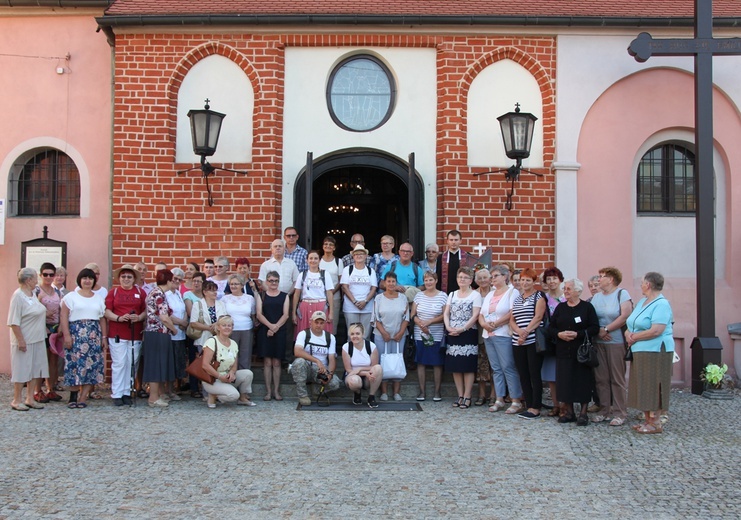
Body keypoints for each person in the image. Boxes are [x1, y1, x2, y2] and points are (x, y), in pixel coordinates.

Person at [626, 272, 674, 435]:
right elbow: (631, 323)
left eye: (642, 283)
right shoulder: (642, 302)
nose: (640, 285)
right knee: (643, 384)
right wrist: (628, 334)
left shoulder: (662, 304)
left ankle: (655, 422)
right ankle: (647, 420)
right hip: (639, 349)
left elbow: (657, 330)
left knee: (655, 384)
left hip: (656, 350)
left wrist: (634, 337)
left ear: (648, 284)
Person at [548, 278, 599, 426]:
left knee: (582, 380)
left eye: (569, 289)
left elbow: (594, 327)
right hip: (563, 350)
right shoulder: (561, 308)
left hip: (581, 351)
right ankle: (569, 411)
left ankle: (583, 412)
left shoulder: (587, 308)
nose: (566, 291)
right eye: (565, 289)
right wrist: (559, 334)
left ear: (578, 291)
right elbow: (550, 328)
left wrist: (578, 334)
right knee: (564, 381)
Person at [590, 267, 632, 426]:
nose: (598, 279)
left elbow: (625, 316)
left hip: (615, 342)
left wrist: (607, 329)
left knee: (617, 378)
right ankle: (604, 410)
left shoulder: (622, 294)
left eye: (602, 277)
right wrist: (599, 331)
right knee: (601, 378)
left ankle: (620, 412)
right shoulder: (596, 297)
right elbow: (592, 316)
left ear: (612, 279)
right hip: (598, 341)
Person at [60, 268, 107, 409]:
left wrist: (104, 337)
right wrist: (67, 335)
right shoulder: (71, 297)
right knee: (74, 366)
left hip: (93, 336)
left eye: (90, 278)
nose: (87, 281)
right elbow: (63, 317)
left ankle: (83, 397)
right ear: (79, 280)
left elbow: (102, 319)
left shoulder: (98, 298)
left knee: (91, 366)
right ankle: (73, 396)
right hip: (76, 334)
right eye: (84, 278)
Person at [480, 265, 524, 414]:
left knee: (508, 367)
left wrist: (496, 324)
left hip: (503, 334)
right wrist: (485, 325)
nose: (493, 279)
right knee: (496, 368)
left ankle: (516, 400)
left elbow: (512, 312)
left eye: (496, 276)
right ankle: (499, 398)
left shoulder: (512, 292)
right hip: (488, 335)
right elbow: (481, 314)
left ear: (505, 277)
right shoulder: (490, 295)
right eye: (492, 276)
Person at [104, 264, 146, 406]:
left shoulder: (140, 292)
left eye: (129, 277)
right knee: (119, 363)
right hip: (117, 332)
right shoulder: (113, 293)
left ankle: (127, 391)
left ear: (134, 279)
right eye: (123, 277)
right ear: (119, 278)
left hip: (135, 332)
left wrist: (139, 318)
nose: (126, 279)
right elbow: (106, 311)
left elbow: (145, 311)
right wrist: (118, 318)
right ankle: (117, 393)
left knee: (132, 363)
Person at [8, 267, 49, 410]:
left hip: (37, 338)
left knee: (35, 368)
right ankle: (16, 400)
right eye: (35, 278)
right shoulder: (18, 296)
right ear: (28, 280)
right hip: (24, 338)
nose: (37, 280)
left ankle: (30, 398)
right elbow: (13, 321)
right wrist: (20, 340)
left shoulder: (32, 294)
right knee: (21, 368)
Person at [510, 268, 547, 419]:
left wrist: (525, 333)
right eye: (522, 280)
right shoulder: (518, 298)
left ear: (534, 282)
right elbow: (512, 319)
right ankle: (528, 404)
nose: (524, 283)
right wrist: (518, 332)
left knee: (534, 373)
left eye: (527, 280)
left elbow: (538, 317)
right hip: (517, 341)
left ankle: (536, 407)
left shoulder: (539, 296)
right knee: (523, 374)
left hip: (532, 340)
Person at [443, 267, 482, 409]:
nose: (462, 280)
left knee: (467, 366)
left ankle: (467, 396)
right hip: (452, 332)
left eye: (465, 277)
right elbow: (446, 313)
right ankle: (459, 395)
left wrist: (462, 329)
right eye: (460, 277)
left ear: (471, 280)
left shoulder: (475, 295)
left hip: (467, 333)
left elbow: (475, 315)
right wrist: (448, 327)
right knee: (456, 366)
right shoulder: (452, 294)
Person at [141, 268, 179, 408]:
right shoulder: (159, 295)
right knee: (156, 365)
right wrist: (174, 329)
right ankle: (153, 397)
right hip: (158, 333)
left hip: (155, 332)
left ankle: (158, 395)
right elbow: (164, 317)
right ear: (168, 281)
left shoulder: (155, 292)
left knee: (159, 364)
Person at [200, 315, 255, 408]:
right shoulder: (212, 342)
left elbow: (234, 365)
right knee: (233, 395)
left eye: (229, 325)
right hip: (212, 379)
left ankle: (242, 398)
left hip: (226, 377)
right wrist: (220, 377)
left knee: (247, 373)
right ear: (218, 327)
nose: (227, 328)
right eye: (224, 325)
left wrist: (232, 373)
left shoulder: (233, 344)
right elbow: (205, 365)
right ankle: (213, 395)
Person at [290, 311, 341, 406]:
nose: (319, 325)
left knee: (335, 383)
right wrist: (316, 360)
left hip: (321, 371)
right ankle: (303, 395)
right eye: (316, 322)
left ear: (325, 323)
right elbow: (297, 351)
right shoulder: (303, 334)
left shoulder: (330, 337)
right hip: (306, 368)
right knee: (299, 362)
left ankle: (316, 390)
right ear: (311, 322)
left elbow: (332, 358)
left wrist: (329, 374)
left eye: (321, 323)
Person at [373, 272, 410, 401]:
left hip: (399, 335)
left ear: (396, 282)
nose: (391, 284)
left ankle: (396, 392)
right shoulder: (378, 298)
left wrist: (400, 333)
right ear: (384, 283)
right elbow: (375, 318)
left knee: (397, 362)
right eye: (388, 281)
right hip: (381, 335)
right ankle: (383, 392)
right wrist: (384, 333)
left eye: (393, 281)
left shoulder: (402, 298)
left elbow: (406, 318)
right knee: (383, 362)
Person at [411, 272, 447, 401]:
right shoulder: (419, 296)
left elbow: (445, 315)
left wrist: (430, 322)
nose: (428, 282)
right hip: (420, 333)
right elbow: (413, 314)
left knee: (437, 363)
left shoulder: (443, 296)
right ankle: (422, 392)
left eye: (431, 280)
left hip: (436, 334)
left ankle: (437, 392)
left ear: (436, 280)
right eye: (426, 280)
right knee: (421, 362)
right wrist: (420, 323)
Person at [255, 271, 290, 401]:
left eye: (275, 280)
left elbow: (285, 314)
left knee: (276, 362)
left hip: (279, 330)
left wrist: (275, 328)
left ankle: (276, 391)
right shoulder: (261, 295)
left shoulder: (284, 296)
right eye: (270, 280)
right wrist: (270, 326)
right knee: (267, 362)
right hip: (265, 330)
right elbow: (259, 314)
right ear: (266, 281)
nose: (273, 283)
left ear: (279, 281)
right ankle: (268, 392)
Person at [34, 262, 63, 402]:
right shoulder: (36, 291)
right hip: (41, 327)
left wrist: (61, 326)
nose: (48, 277)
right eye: (45, 274)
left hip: (55, 327)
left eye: (51, 274)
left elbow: (61, 309)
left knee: (53, 359)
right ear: (40, 275)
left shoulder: (57, 291)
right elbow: (32, 311)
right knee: (41, 359)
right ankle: (37, 390)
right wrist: (44, 315)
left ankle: (51, 388)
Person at [340, 243, 378, 339]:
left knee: (365, 335)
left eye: (361, 253)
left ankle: (365, 354)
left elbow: (373, 288)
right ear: (353, 256)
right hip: (350, 306)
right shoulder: (347, 269)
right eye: (356, 254)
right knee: (352, 335)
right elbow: (344, 287)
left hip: (367, 307)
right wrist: (354, 301)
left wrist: (365, 301)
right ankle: (351, 353)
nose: (359, 256)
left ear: (365, 256)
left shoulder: (370, 271)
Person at [542, 266, 565, 417]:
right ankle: (556, 405)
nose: (551, 281)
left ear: (560, 280)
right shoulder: (544, 298)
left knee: (564, 373)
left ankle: (565, 405)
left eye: (554, 278)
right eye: (548, 279)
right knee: (551, 374)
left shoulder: (566, 297)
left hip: (564, 338)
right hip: (549, 338)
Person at [342, 323, 383, 408]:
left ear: (363, 334)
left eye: (357, 333)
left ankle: (371, 397)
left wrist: (360, 368)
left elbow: (374, 366)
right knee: (354, 382)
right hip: (353, 375)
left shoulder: (371, 346)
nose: (355, 336)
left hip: (369, 378)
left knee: (378, 368)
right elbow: (348, 369)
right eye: (352, 334)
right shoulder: (346, 347)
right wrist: (364, 373)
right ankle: (357, 393)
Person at [292, 250, 334, 335]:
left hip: (321, 306)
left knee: (321, 333)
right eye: (311, 258)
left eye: (316, 258)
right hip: (305, 307)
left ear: (319, 260)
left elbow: (329, 293)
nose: (313, 260)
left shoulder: (325, 274)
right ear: (307, 260)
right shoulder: (302, 275)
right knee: (304, 334)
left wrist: (331, 312)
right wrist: (293, 313)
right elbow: (296, 294)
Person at [222, 274, 257, 370]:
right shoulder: (225, 299)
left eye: (236, 284)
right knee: (231, 356)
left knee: (245, 355)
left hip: (246, 330)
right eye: (231, 284)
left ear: (242, 285)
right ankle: (231, 380)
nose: (233, 286)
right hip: (230, 331)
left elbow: (253, 315)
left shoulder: (250, 298)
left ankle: (244, 379)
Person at [165, 268, 189, 398]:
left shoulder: (178, 294)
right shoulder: (165, 294)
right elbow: (166, 313)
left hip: (180, 333)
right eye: (175, 279)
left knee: (177, 362)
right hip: (170, 333)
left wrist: (184, 321)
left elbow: (184, 309)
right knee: (169, 362)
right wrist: (181, 322)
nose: (177, 281)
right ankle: (167, 390)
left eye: (180, 280)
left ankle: (174, 389)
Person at [473, 268, 495, 406]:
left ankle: (494, 394)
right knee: (481, 365)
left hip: (494, 331)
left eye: (485, 277)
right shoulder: (474, 294)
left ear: (490, 279)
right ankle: (481, 395)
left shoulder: (496, 293)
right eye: (479, 278)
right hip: (478, 333)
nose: (482, 280)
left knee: (494, 366)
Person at [183, 271, 206, 398]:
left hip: (207, 333)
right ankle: (194, 387)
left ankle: (205, 386)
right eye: (194, 281)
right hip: (195, 332)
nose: (196, 283)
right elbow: (191, 312)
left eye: (199, 281)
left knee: (206, 359)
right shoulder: (188, 295)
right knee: (193, 359)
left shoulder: (206, 296)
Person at [319, 236, 343, 328]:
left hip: (334, 297)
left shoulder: (338, 261)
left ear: (334, 247)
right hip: (319, 296)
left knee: (333, 323)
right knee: (320, 322)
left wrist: (331, 293)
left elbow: (340, 280)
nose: (328, 246)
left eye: (330, 244)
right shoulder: (318, 260)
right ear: (323, 246)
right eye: (325, 244)